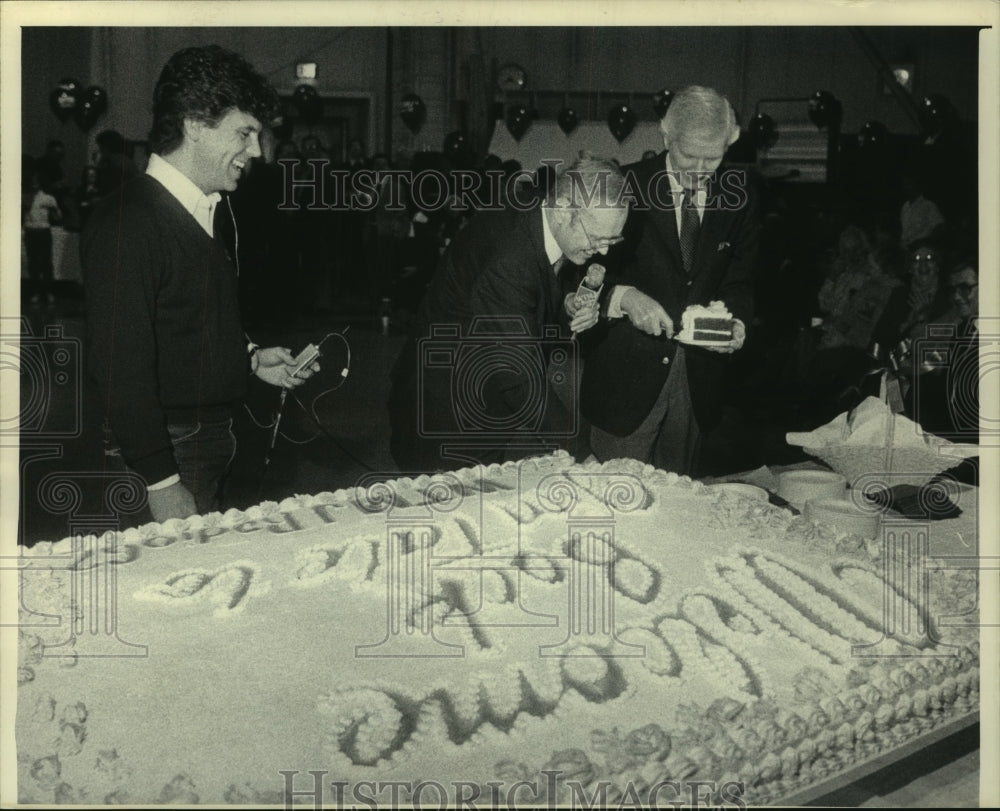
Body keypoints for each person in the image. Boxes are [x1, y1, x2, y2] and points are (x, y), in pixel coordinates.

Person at [82, 44, 317, 523]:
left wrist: (248, 358)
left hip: (205, 440)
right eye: (244, 133)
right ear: (194, 124)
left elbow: (184, 322)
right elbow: (120, 369)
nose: (255, 151)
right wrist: (162, 483)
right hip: (165, 453)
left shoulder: (211, 210)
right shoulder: (127, 222)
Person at [388, 154, 627, 472]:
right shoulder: (510, 258)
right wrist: (582, 454)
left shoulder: (536, 212)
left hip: (479, 403)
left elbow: (533, 293)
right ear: (563, 208)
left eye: (614, 238)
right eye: (597, 238)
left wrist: (565, 303)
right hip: (444, 420)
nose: (604, 250)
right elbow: (518, 378)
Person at [579, 85, 760, 476]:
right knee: (614, 503)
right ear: (665, 136)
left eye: (712, 159)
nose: (698, 171)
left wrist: (739, 323)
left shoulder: (740, 197)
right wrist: (624, 298)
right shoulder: (624, 187)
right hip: (625, 384)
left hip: (697, 383)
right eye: (688, 156)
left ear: (730, 143)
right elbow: (578, 275)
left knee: (679, 512)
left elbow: (740, 282)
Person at [22, 163, 63, 306]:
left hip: (44, 232)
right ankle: (35, 292)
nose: (34, 183)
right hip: (30, 231)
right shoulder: (24, 197)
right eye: (32, 180)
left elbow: (58, 217)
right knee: (33, 264)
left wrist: (54, 210)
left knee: (46, 263)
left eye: (37, 180)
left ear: (40, 182)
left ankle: (48, 292)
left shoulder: (48, 198)